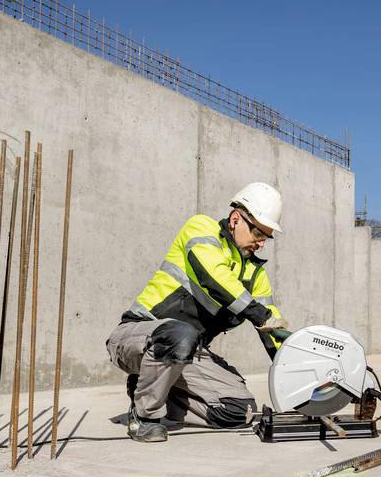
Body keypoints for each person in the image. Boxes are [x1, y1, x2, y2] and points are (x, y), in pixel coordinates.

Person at [106, 183, 289, 442]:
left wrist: (294, 364)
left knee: (238, 411)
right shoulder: (202, 229)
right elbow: (214, 277)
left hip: (187, 352)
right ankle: (145, 416)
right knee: (179, 334)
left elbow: (271, 327)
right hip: (138, 338)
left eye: (266, 237)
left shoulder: (255, 274)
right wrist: (256, 313)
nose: (260, 243)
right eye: (258, 233)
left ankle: (154, 390)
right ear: (236, 219)